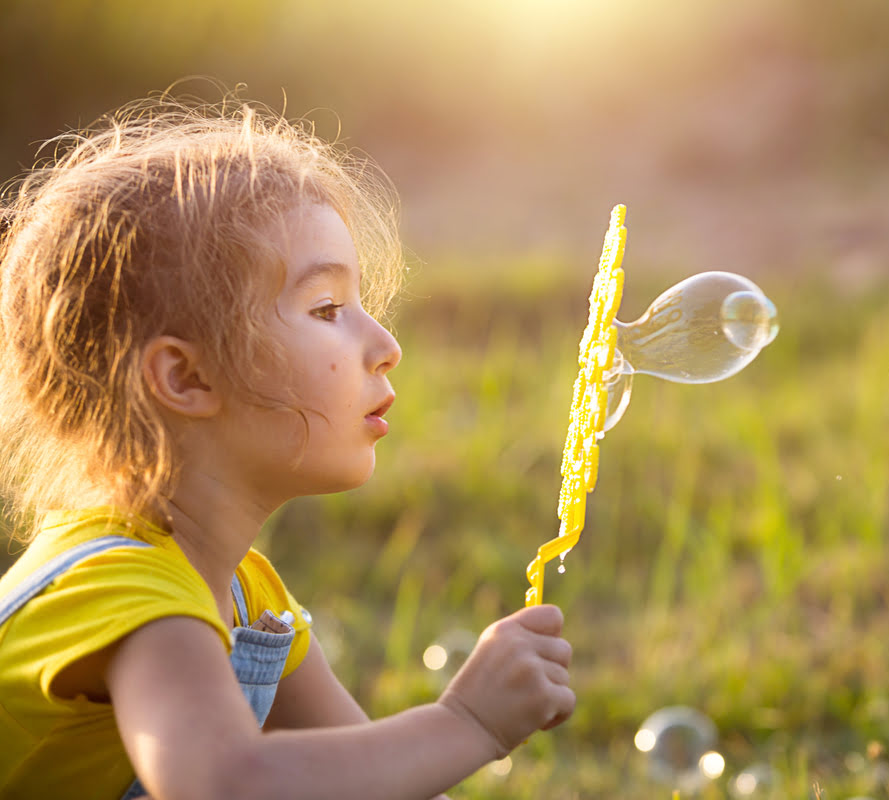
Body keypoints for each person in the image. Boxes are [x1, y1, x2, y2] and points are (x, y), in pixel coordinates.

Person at [0, 91, 575, 800]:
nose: (386, 346)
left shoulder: (250, 595)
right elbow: (227, 785)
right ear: (186, 376)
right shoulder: (122, 590)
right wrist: (465, 723)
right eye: (328, 309)